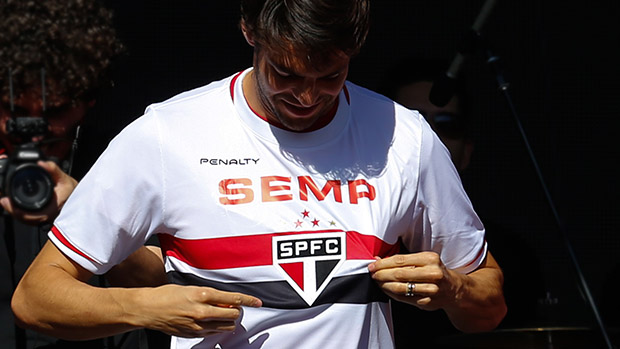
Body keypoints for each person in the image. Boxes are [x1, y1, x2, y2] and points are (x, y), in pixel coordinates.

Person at [11, 1, 507, 348]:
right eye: (286, 73)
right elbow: (37, 298)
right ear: (250, 30)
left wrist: (454, 291)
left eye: (330, 76)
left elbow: (490, 304)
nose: (308, 96)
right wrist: (146, 308)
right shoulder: (167, 134)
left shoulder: (407, 136)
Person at [0, 1, 154, 348]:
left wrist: (84, 211)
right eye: (15, 111)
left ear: (88, 101)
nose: (34, 131)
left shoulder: (124, 155)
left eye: (55, 111)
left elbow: (167, 276)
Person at [378, 57, 546, 346]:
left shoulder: (513, 254)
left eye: (446, 123)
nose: (427, 136)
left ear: (467, 151)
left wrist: (454, 288)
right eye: (411, 120)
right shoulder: (358, 227)